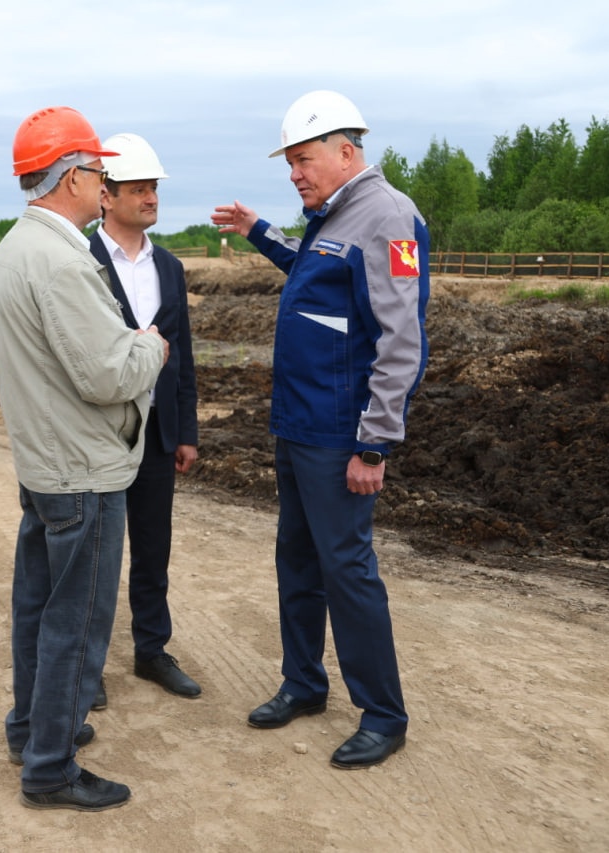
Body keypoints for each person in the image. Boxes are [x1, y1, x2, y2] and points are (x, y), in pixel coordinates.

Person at [211, 90, 429, 770]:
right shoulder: (330, 215)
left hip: (342, 433)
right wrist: (257, 230)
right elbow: (311, 269)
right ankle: (304, 682)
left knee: (347, 569)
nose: (296, 173)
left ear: (346, 150)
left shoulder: (388, 216)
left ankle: (383, 714)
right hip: (298, 422)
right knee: (298, 560)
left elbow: (402, 340)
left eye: (304, 160)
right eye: (291, 163)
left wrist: (375, 441)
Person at [0, 106, 168, 811]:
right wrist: (151, 345)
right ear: (70, 178)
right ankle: (51, 767)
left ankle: (32, 727)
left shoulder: (12, 250)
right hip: (83, 471)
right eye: (98, 171)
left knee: (37, 606)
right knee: (78, 620)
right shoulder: (63, 260)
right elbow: (107, 375)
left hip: (44, 464)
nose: (105, 183)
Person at [87, 133, 200, 707]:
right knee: (97, 551)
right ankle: (87, 665)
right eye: (137, 187)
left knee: (153, 548)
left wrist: (186, 433)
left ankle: (152, 650)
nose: (150, 196)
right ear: (105, 196)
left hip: (157, 437)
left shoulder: (171, 267)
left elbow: (180, 353)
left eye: (153, 186)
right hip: (100, 435)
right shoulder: (80, 262)